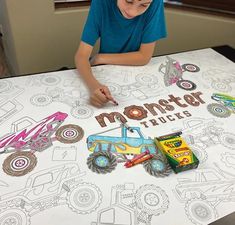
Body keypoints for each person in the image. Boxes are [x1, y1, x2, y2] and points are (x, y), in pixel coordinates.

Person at [75, 0, 167, 107]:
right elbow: (81, 56)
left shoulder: (155, 2)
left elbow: (144, 57)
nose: (132, 12)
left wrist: (100, 58)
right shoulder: (101, 2)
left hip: (134, 72)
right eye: (128, 1)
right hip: (106, 71)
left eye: (143, 5)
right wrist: (93, 86)